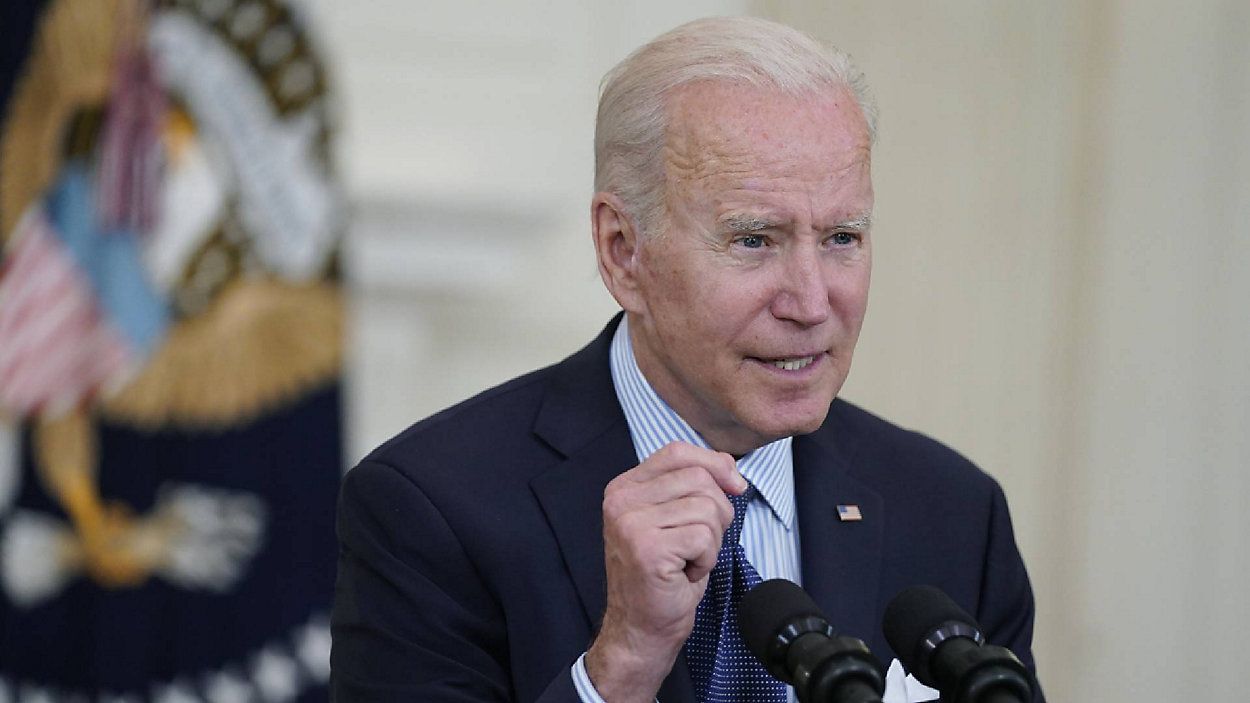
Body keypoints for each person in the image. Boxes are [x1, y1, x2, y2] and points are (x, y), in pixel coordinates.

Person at [330, 16, 1043, 703]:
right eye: (754, 240)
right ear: (623, 251)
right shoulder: (430, 510)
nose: (811, 300)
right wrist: (623, 666)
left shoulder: (953, 512)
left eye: (842, 238)